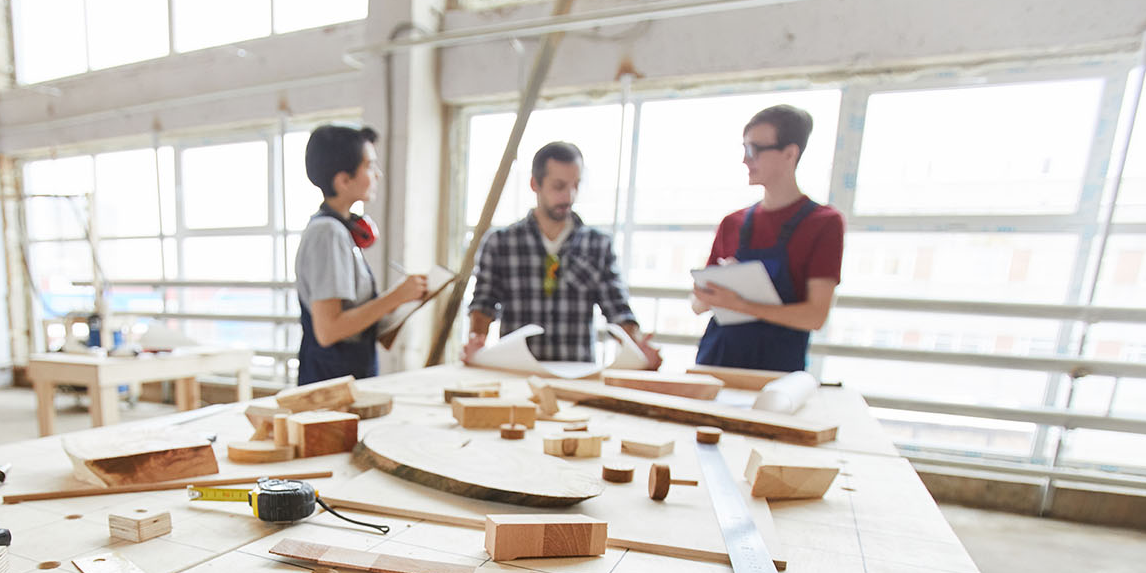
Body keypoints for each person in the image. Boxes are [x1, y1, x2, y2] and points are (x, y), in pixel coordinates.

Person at [464, 142, 661, 369]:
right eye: (559, 186)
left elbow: (617, 309)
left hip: (578, 375)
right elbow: (483, 304)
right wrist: (475, 343)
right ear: (534, 184)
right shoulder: (500, 242)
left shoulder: (597, 244)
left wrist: (638, 348)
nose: (569, 196)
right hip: (515, 372)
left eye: (575, 185)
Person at [692, 104, 845, 372]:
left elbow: (815, 316)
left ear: (790, 153)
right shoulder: (732, 223)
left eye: (755, 149)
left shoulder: (824, 223)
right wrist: (708, 295)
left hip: (775, 370)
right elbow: (697, 305)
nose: (745, 160)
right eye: (744, 148)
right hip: (716, 361)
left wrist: (742, 305)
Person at [294, 124, 426, 384]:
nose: (378, 175)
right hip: (330, 384)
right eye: (369, 166)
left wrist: (401, 301)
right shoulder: (327, 233)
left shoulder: (340, 230)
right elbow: (329, 330)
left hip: (346, 375)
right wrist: (395, 296)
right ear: (343, 180)